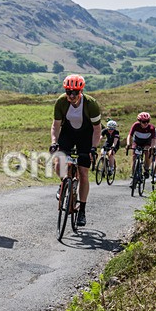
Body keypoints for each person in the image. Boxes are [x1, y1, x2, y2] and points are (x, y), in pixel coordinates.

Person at [50, 74, 102, 227]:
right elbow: (56, 126)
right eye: (68, 92)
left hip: (86, 135)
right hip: (68, 133)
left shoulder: (91, 104)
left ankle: (82, 211)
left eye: (75, 92)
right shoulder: (61, 102)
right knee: (59, 162)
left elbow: (97, 129)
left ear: (81, 91)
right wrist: (54, 143)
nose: (71, 96)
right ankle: (64, 184)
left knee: (84, 172)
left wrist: (93, 148)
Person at [126, 112, 156, 186]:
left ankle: (146, 169)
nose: (146, 123)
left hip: (147, 143)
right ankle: (133, 176)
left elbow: (153, 139)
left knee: (147, 153)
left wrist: (152, 147)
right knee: (134, 157)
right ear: (139, 121)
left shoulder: (151, 128)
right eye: (143, 122)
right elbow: (130, 135)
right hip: (137, 142)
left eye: (147, 121)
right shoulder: (135, 125)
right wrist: (128, 144)